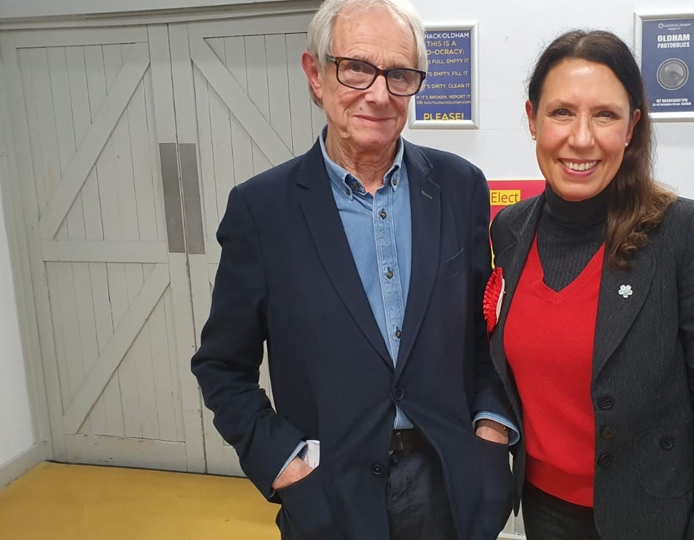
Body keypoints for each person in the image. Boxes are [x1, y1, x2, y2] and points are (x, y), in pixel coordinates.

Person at [191, 1, 517, 538]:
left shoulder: (461, 187)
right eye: (357, 68)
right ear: (315, 75)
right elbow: (222, 367)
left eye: (400, 75)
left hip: (454, 488)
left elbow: (487, 339)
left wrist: (490, 433)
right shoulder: (262, 209)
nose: (379, 93)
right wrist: (285, 466)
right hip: (330, 496)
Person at [486, 30, 694, 540]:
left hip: (651, 515)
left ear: (632, 126)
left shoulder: (686, 234)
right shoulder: (511, 230)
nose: (581, 138)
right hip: (542, 508)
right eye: (562, 112)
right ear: (532, 119)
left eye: (605, 115)